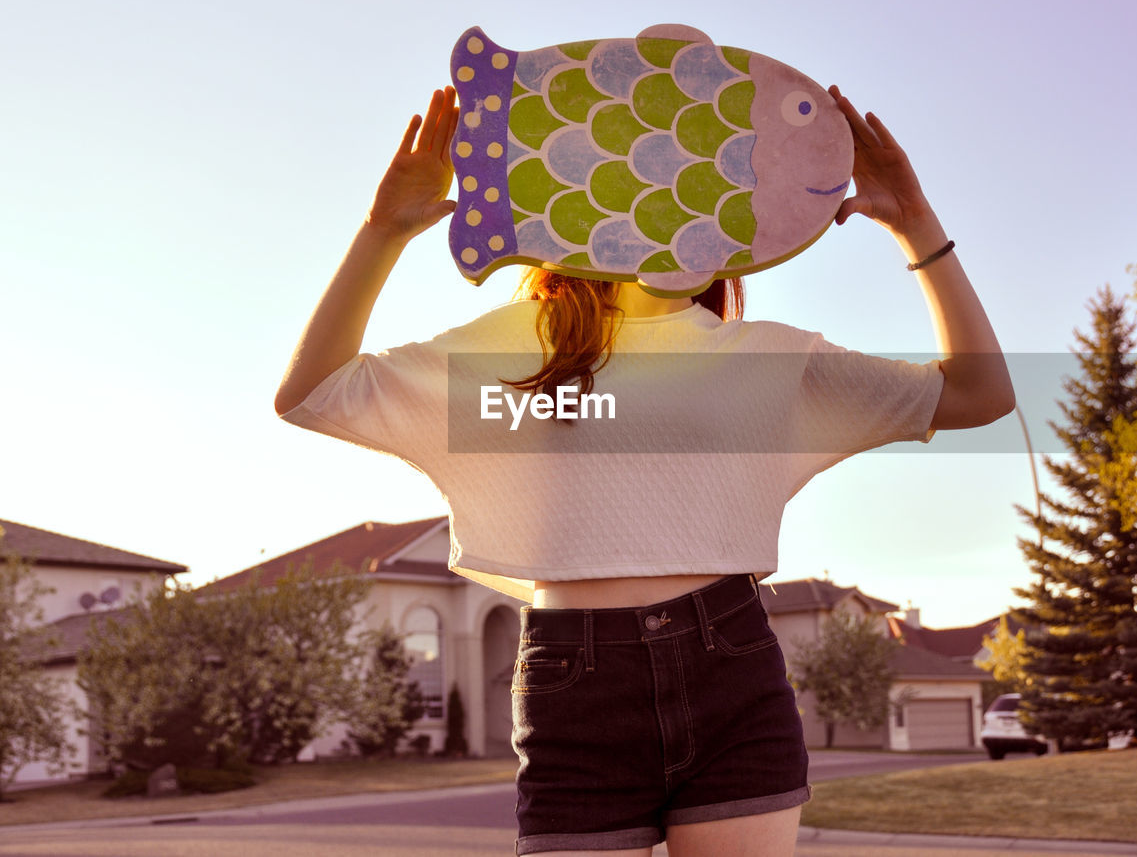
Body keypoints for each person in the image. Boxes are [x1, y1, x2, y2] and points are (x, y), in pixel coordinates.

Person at [275, 83, 1014, 857]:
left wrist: (916, 226)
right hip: (575, 684)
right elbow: (312, 393)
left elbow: (982, 392)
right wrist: (383, 230)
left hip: (731, 668)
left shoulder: (768, 359)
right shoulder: (515, 347)